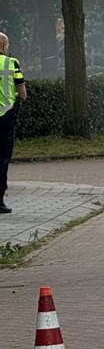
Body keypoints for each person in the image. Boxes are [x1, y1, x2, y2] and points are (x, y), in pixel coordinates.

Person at [0, 33, 27, 214]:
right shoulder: (11, 63)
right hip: (6, 116)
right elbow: (23, 93)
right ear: (3, 46)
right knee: (2, 159)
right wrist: (17, 96)